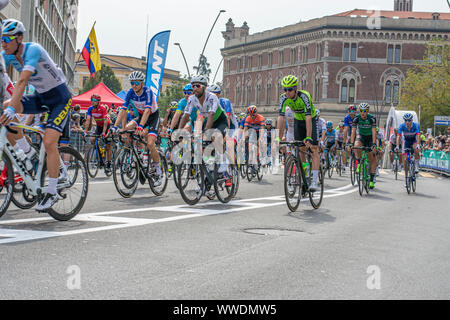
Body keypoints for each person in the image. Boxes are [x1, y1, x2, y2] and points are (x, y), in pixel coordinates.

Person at [0, 18, 72, 211]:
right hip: (40, 97)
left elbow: (22, 81)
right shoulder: (6, 55)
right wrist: (9, 106)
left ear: (19, 38)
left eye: (6, 39)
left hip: (59, 98)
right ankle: (29, 152)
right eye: (1, 39)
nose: (3, 43)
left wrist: (11, 108)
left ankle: (52, 190)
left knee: (49, 142)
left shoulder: (33, 50)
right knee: (5, 105)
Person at [112, 70, 162, 186]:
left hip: (152, 117)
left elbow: (148, 110)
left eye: (136, 83)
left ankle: (158, 170)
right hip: (141, 116)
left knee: (150, 144)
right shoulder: (130, 92)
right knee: (126, 130)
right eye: (132, 83)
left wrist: (140, 126)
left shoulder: (148, 91)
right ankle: (137, 154)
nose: (134, 85)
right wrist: (116, 127)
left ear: (142, 83)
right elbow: (123, 110)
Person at [277, 75, 320, 191]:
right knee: (300, 149)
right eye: (285, 89)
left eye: (290, 89)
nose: (287, 92)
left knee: (313, 149)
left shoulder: (304, 96)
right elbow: (281, 118)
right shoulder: (283, 98)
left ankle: (315, 181)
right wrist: (278, 139)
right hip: (298, 121)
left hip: (310, 120)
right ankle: (305, 172)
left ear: (296, 89)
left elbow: (308, 117)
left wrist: (308, 137)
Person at [350, 103, 377, 189]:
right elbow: (353, 132)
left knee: (372, 159)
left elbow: (374, 132)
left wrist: (373, 143)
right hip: (361, 136)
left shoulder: (372, 118)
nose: (363, 113)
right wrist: (351, 143)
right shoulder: (356, 118)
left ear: (368, 111)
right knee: (356, 145)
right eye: (361, 111)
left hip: (369, 138)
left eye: (365, 111)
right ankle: (359, 163)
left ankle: (372, 180)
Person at [84, 94, 112, 171]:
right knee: (92, 140)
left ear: (98, 102)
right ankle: (99, 156)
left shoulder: (102, 108)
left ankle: (109, 164)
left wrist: (103, 132)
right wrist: (85, 131)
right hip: (98, 126)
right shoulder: (90, 109)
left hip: (106, 127)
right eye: (91, 100)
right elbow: (88, 120)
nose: (92, 102)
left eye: (95, 101)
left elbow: (105, 121)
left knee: (108, 146)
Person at [396, 113, 421, 177]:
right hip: (406, 142)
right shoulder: (402, 126)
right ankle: (406, 177)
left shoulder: (416, 125)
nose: (407, 122)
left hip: (413, 141)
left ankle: (416, 165)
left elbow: (418, 135)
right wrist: (397, 146)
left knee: (416, 149)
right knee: (405, 159)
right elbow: (398, 137)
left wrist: (418, 144)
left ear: (412, 120)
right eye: (406, 120)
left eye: (409, 120)